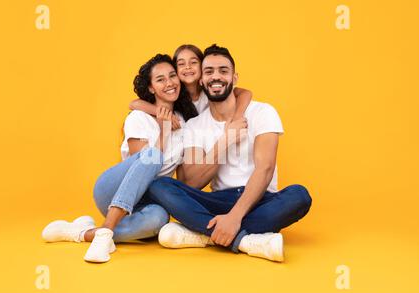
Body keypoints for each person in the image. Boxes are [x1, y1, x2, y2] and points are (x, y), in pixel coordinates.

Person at [145, 44, 313, 262]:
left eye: (223, 71)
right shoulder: (195, 125)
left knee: (299, 195)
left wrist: (234, 217)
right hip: (218, 200)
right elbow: (190, 182)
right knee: (160, 185)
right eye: (209, 72)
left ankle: (204, 234)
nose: (216, 77)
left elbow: (266, 168)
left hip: (260, 198)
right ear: (202, 81)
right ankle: (244, 240)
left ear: (234, 77)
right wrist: (224, 142)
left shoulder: (263, 112)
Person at [41, 54, 198, 263]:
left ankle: (83, 232)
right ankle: (106, 231)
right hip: (112, 189)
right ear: (151, 88)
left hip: (145, 203)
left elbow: (181, 178)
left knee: (160, 219)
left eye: (172, 76)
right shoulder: (138, 118)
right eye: (160, 79)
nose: (169, 83)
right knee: (152, 155)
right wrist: (163, 131)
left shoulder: (184, 125)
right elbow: (142, 168)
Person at [129, 44, 252, 129]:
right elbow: (134, 104)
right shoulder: (173, 93)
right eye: (181, 64)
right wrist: (167, 115)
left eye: (193, 62)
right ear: (175, 69)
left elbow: (246, 93)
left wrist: (237, 117)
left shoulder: (211, 88)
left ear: (203, 66)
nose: (187, 67)